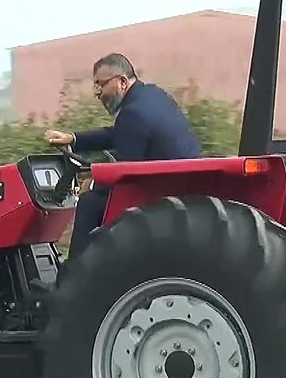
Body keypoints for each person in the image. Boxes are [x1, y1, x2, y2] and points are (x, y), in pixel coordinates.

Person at [44, 53, 201, 258]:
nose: (97, 92)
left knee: (89, 203)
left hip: (162, 190)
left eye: (101, 84)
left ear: (122, 82)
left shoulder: (134, 111)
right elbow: (121, 133)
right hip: (178, 181)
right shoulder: (152, 95)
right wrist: (73, 138)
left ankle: (73, 277)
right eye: (96, 85)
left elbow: (124, 172)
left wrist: (91, 184)